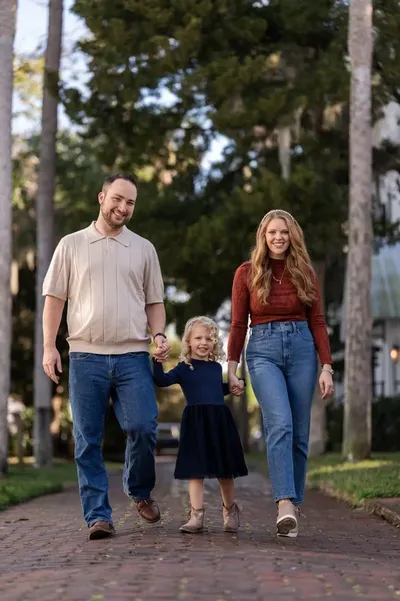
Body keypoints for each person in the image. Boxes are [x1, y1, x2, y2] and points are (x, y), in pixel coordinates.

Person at [42, 173, 171, 540]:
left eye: (130, 202)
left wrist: (159, 334)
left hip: (133, 355)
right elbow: (54, 300)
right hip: (85, 357)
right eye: (117, 199)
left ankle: (138, 489)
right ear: (101, 197)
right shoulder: (71, 245)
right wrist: (50, 346)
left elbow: (154, 302)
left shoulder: (143, 248)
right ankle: (98, 515)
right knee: (87, 439)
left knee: (143, 427)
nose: (123, 207)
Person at [227, 209, 333, 539]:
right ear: (263, 236)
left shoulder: (305, 272)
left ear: (292, 236)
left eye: (284, 232)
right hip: (263, 351)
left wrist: (326, 366)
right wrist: (231, 368)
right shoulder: (247, 273)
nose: (278, 237)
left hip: (302, 348)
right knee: (280, 423)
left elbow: (317, 321)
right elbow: (237, 323)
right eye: (272, 232)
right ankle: (284, 502)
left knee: (300, 433)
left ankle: (292, 503)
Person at [153, 316, 248, 534]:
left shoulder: (216, 368)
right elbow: (162, 380)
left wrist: (235, 385)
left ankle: (230, 511)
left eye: (208, 338)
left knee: (225, 471)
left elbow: (215, 388)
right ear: (188, 341)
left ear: (214, 342)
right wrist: (156, 361)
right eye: (198, 338)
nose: (203, 342)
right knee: (195, 472)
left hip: (219, 421)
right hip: (196, 424)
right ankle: (196, 516)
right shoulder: (184, 368)